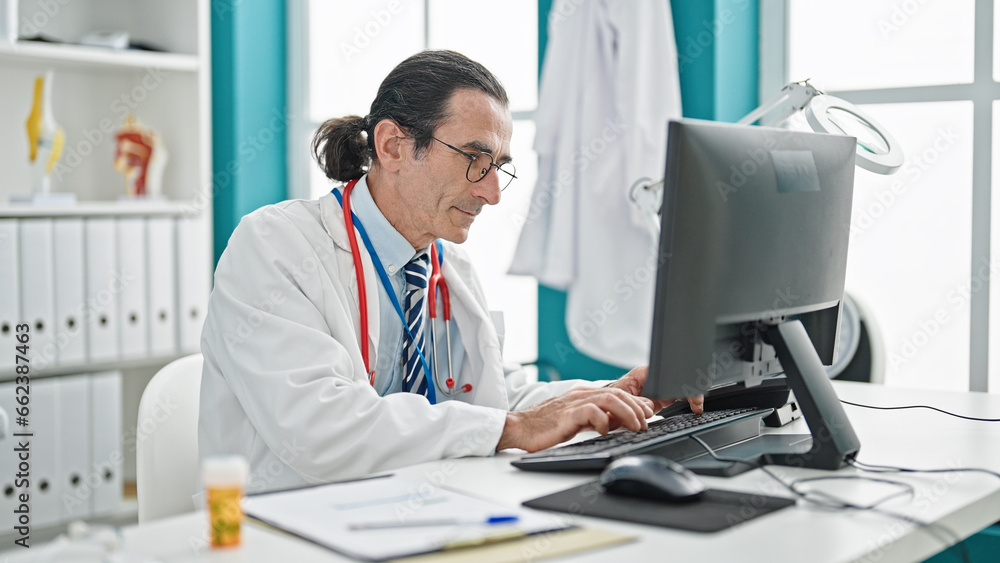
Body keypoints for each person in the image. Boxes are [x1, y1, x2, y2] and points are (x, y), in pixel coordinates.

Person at [198, 50, 702, 492]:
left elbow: (494, 398)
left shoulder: (445, 264)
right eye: (474, 159)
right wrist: (515, 428)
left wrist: (607, 396)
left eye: (498, 165)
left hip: (421, 511)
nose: (492, 192)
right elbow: (318, 428)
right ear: (393, 145)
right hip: (293, 529)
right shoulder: (276, 246)